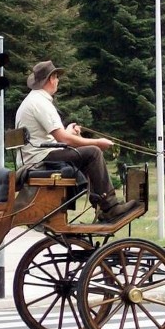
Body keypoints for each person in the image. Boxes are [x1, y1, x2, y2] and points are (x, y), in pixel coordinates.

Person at [15, 60, 141, 223]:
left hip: (36, 157)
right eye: (57, 77)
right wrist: (97, 143)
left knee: (88, 153)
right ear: (51, 79)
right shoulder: (40, 103)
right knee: (93, 153)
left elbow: (54, 137)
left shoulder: (32, 101)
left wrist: (68, 131)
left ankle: (101, 205)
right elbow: (63, 139)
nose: (58, 81)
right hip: (40, 160)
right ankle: (110, 207)